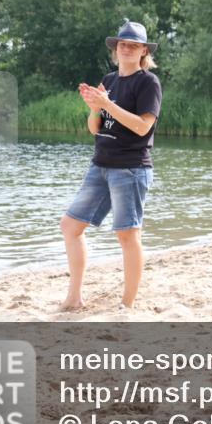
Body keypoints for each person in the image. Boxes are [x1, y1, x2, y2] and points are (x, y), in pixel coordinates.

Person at [59, 21, 162, 311]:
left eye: (133, 44)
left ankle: (126, 305)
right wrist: (95, 108)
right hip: (100, 166)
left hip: (131, 167)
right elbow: (95, 128)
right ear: (116, 50)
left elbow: (143, 127)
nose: (126, 48)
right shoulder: (110, 80)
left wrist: (107, 104)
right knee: (70, 226)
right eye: (122, 44)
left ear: (143, 50)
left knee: (127, 234)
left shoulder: (148, 82)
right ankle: (74, 297)